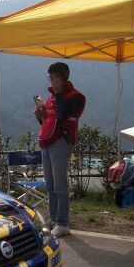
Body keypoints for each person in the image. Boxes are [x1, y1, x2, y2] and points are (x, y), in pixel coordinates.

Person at [34, 62, 85, 238]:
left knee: (60, 184)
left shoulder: (75, 97)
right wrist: (41, 116)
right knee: (49, 184)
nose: (52, 81)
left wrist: (58, 94)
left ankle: (63, 223)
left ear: (63, 78)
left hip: (62, 142)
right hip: (47, 142)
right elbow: (50, 122)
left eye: (55, 77)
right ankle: (54, 218)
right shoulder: (51, 98)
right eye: (51, 77)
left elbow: (63, 115)